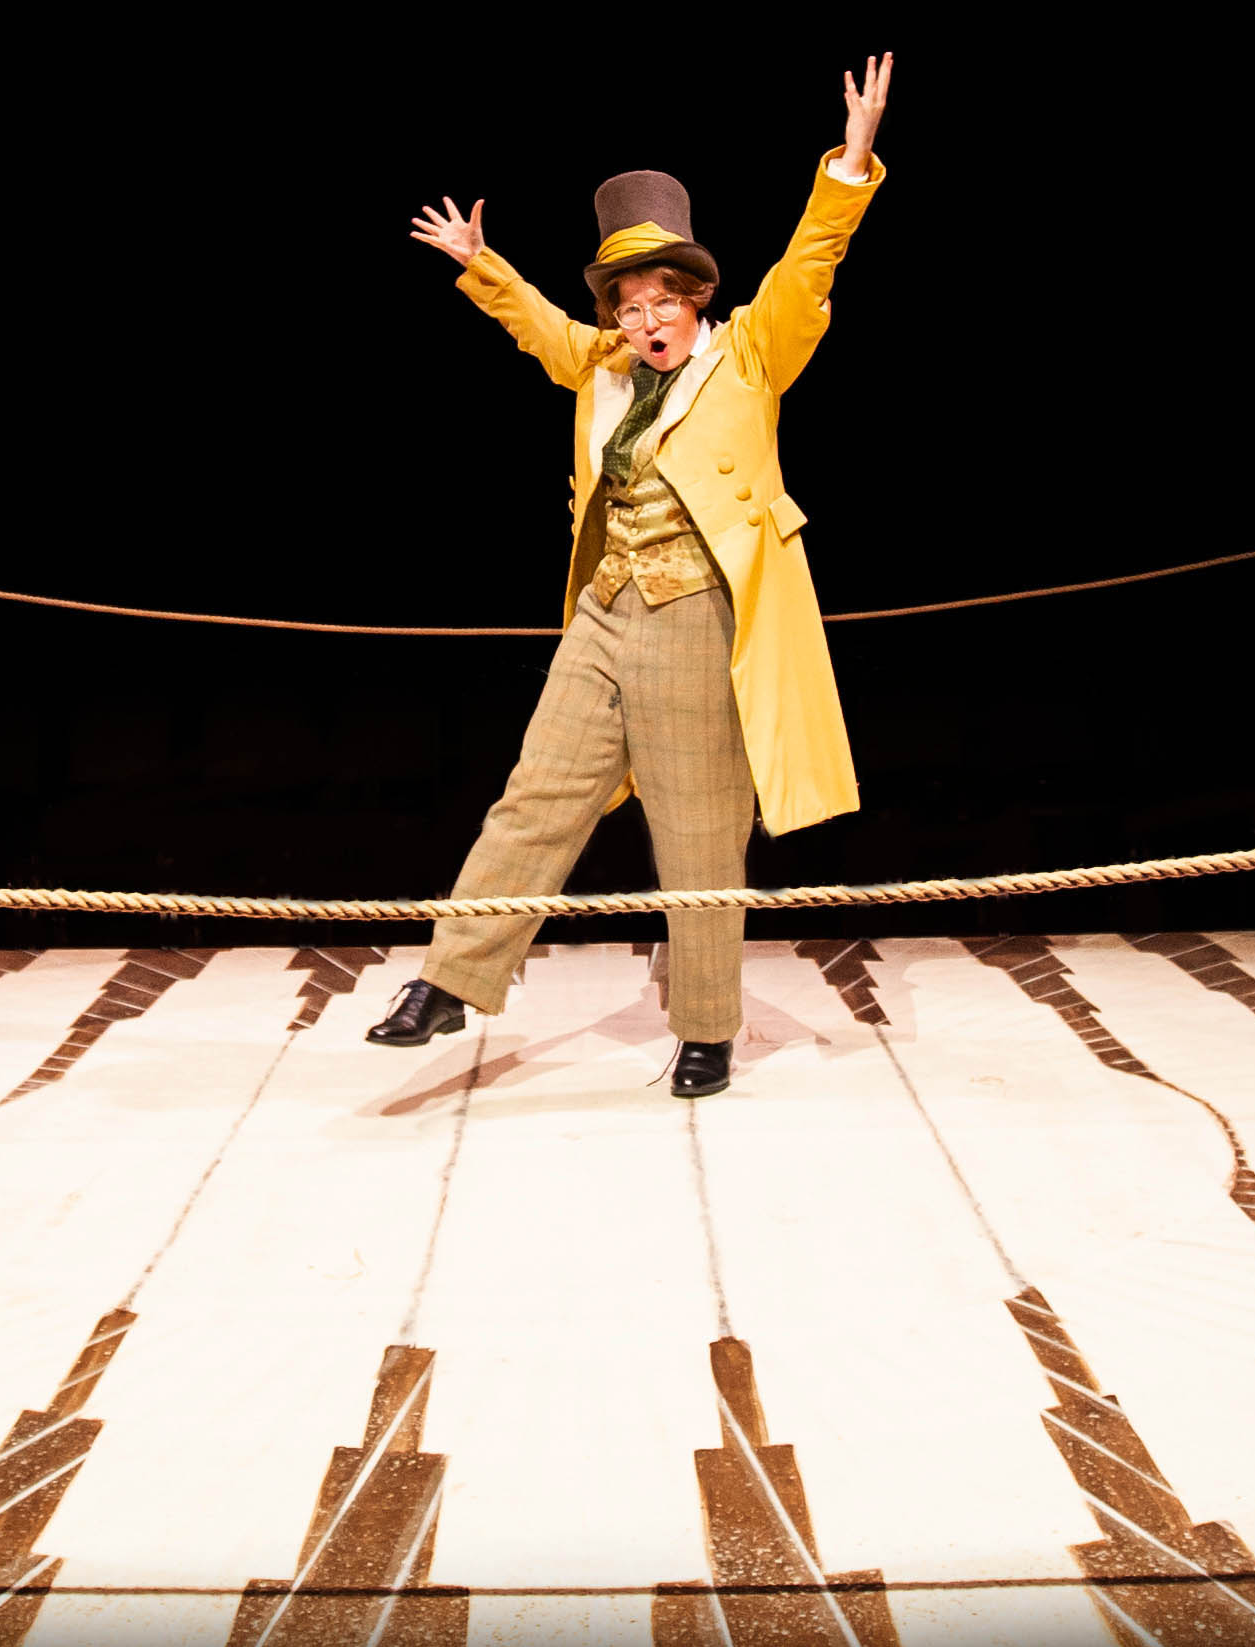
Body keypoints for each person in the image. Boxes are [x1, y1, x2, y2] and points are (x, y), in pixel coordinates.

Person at [365, 56, 895, 1097]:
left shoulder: (748, 356)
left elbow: (809, 264)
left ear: (694, 299)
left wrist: (851, 162)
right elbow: (537, 325)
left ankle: (706, 1028)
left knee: (698, 837)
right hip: (604, 611)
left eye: (661, 299)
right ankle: (448, 981)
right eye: (626, 302)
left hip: (698, 616)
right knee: (533, 800)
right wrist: (481, 262)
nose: (644, 318)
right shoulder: (600, 365)